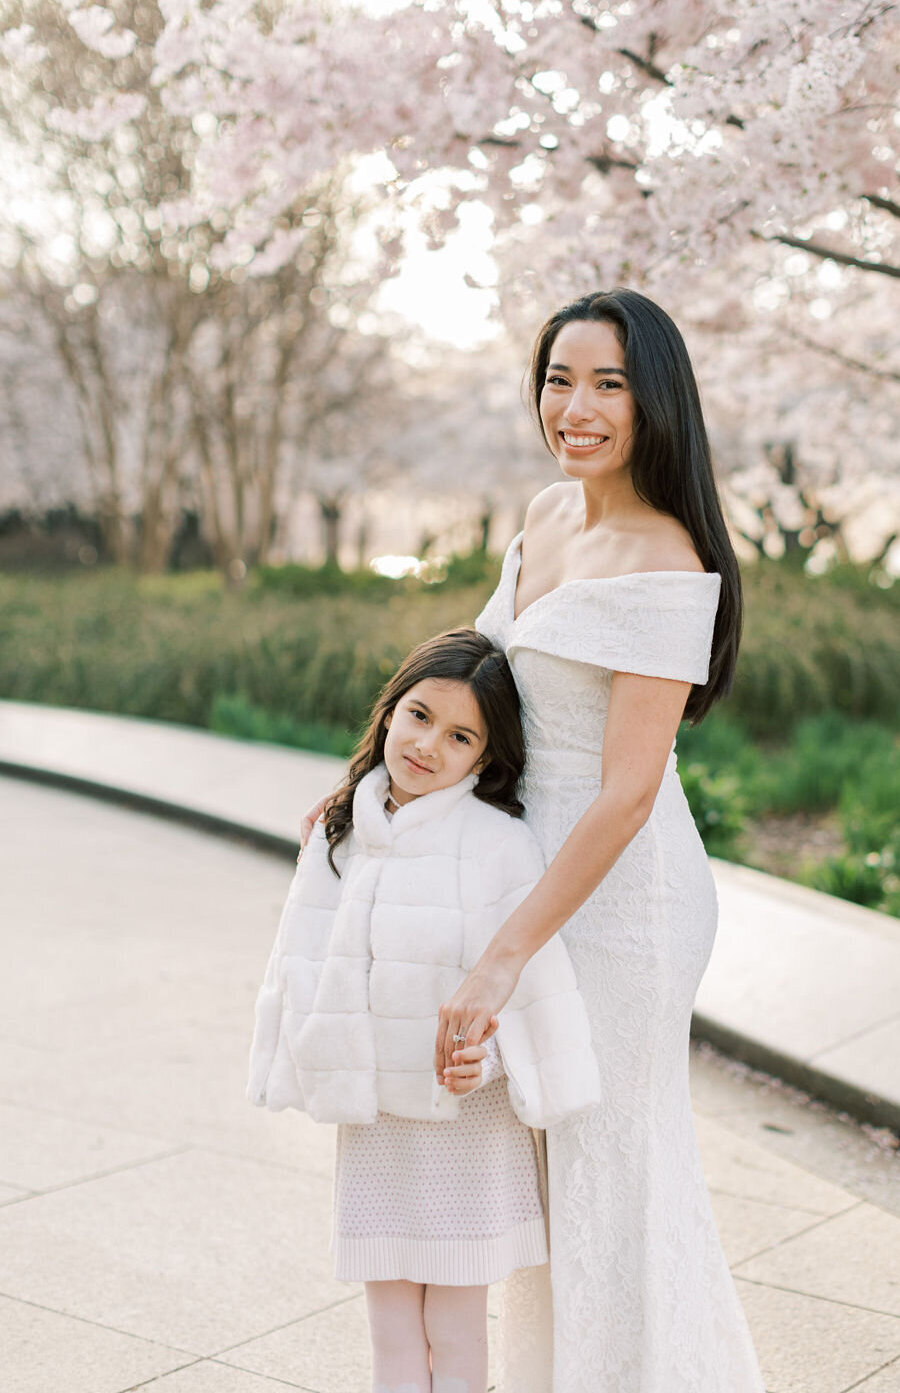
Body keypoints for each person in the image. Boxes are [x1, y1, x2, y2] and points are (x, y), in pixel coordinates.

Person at [303, 287, 765, 1391]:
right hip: (512, 862)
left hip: (618, 898)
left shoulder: (667, 557)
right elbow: (472, 684)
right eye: (560, 378)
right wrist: (368, 787)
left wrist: (507, 951)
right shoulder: (547, 515)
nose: (579, 405)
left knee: (610, 1173)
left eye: (608, 382)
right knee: (544, 1178)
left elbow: (626, 793)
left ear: (654, 400)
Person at [248, 627, 600, 1393]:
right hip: (375, 1123)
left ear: (486, 756)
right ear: (388, 713)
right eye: (418, 716)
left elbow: (531, 981)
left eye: (460, 735)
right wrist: (300, 1058)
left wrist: (489, 1057)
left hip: (461, 1125)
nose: (428, 745)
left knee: (455, 1326)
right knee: (389, 1329)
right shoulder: (342, 831)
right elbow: (302, 956)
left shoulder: (496, 843)